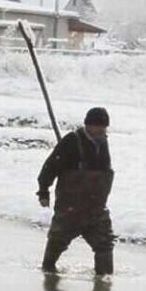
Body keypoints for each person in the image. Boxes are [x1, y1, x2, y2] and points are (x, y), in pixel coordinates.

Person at [37, 107, 115, 275]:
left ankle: (104, 279)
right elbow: (50, 167)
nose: (102, 131)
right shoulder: (71, 141)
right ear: (88, 125)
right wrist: (43, 191)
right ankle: (48, 272)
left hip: (96, 209)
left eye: (104, 127)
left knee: (104, 244)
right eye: (99, 127)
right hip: (70, 209)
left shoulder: (103, 143)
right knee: (57, 241)